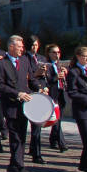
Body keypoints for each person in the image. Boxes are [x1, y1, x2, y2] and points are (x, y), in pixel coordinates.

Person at [0, 35, 35, 172]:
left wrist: (41, 88)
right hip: (10, 104)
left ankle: (12, 164)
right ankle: (20, 166)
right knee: (15, 136)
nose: (22, 49)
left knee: (22, 136)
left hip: (25, 105)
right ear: (11, 47)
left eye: (23, 47)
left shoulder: (24, 60)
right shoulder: (1, 64)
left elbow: (31, 79)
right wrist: (17, 93)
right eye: (20, 46)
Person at [24, 36, 49, 164]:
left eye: (36, 45)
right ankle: (34, 151)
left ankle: (36, 152)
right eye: (33, 45)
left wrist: (44, 86)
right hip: (29, 92)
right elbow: (25, 76)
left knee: (37, 125)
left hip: (40, 92)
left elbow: (46, 77)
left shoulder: (42, 58)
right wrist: (37, 74)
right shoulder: (25, 58)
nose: (35, 47)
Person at [45, 44, 68, 152]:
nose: (56, 54)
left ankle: (53, 140)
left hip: (61, 93)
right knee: (56, 119)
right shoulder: (47, 65)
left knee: (58, 119)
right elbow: (46, 81)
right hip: (52, 94)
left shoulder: (59, 65)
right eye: (54, 52)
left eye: (58, 52)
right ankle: (62, 143)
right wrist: (55, 77)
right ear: (49, 54)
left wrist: (65, 74)